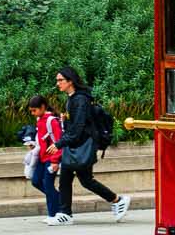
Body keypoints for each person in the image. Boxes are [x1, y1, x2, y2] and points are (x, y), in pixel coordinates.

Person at [54, 67, 127, 222]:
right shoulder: (72, 98)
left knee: (85, 180)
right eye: (57, 80)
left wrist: (60, 143)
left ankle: (117, 200)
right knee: (67, 179)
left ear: (70, 81)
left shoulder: (80, 99)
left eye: (60, 80)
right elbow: (75, 124)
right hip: (75, 145)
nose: (58, 83)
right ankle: (65, 213)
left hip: (82, 146)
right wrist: (65, 120)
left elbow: (79, 127)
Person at [26, 95, 66, 223]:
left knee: (48, 186)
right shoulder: (40, 119)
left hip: (51, 158)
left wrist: (55, 161)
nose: (33, 113)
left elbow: (59, 141)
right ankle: (60, 200)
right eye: (31, 111)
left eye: (34, 110)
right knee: (36, 181)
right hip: (42, 158)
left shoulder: (51, 121)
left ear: (42, 107)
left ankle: (53, 214)